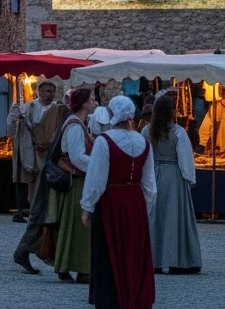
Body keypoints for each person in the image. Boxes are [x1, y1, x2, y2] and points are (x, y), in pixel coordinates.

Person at [80, 94, 156, 309]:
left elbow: (97, 179)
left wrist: (87, 207)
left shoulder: (105, 141)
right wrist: (144, 209)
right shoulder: (144, 141)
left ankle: (111, 299)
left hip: (111, 201)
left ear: (113, 114)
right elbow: (150, 184)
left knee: (109, 251)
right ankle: (135, 295)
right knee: (134, 252)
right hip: (136, 201)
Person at [142, 94, 201, 274]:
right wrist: (189, 178)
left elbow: (143, 155)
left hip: (153, 173)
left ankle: (155, 261)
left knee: (155, 217)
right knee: (175, 217)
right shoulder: (178, 132)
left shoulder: (146, 131)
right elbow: (185, 159)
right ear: (172, 111)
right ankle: (177, 260)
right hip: (173, 175)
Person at [44, 87, 97, 283]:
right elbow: (76, 158)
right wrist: (99, 163)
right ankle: (80, 269)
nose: (94, 102)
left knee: (73, 226)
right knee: (78, 226)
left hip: (78, 180)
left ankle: (69, 267)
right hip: (76, 182)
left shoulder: (79, 124)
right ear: (83, 103)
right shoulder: (75, 126)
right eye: (91, 99)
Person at [9, 78, 65, 220]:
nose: (50, 94)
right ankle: (33, 207)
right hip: (33, 149)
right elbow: (13, 123)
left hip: (50, 149)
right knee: (33, 179)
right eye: (47, 91)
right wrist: (15, 116)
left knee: (47, 178)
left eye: (52, 91)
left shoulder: (57, 108)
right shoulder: (29, 107)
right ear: (39, 91)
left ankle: (48, 208)